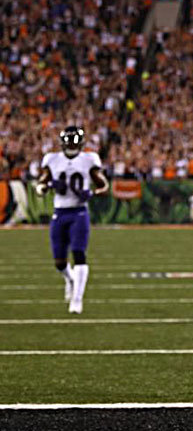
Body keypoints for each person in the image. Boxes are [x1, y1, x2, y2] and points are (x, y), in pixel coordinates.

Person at [35, 126, 110, 314]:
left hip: (79, 212)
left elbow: (104, 185)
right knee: (59, 262)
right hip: (60, 212)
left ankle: (77, 300)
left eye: (73, 142)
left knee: (79, 253)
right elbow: (40, 185)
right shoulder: (52, 160)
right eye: (68, 142)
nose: (70, 145)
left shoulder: (88, 160)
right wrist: (48, 186)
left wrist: (91, 193)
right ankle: (70, 279)